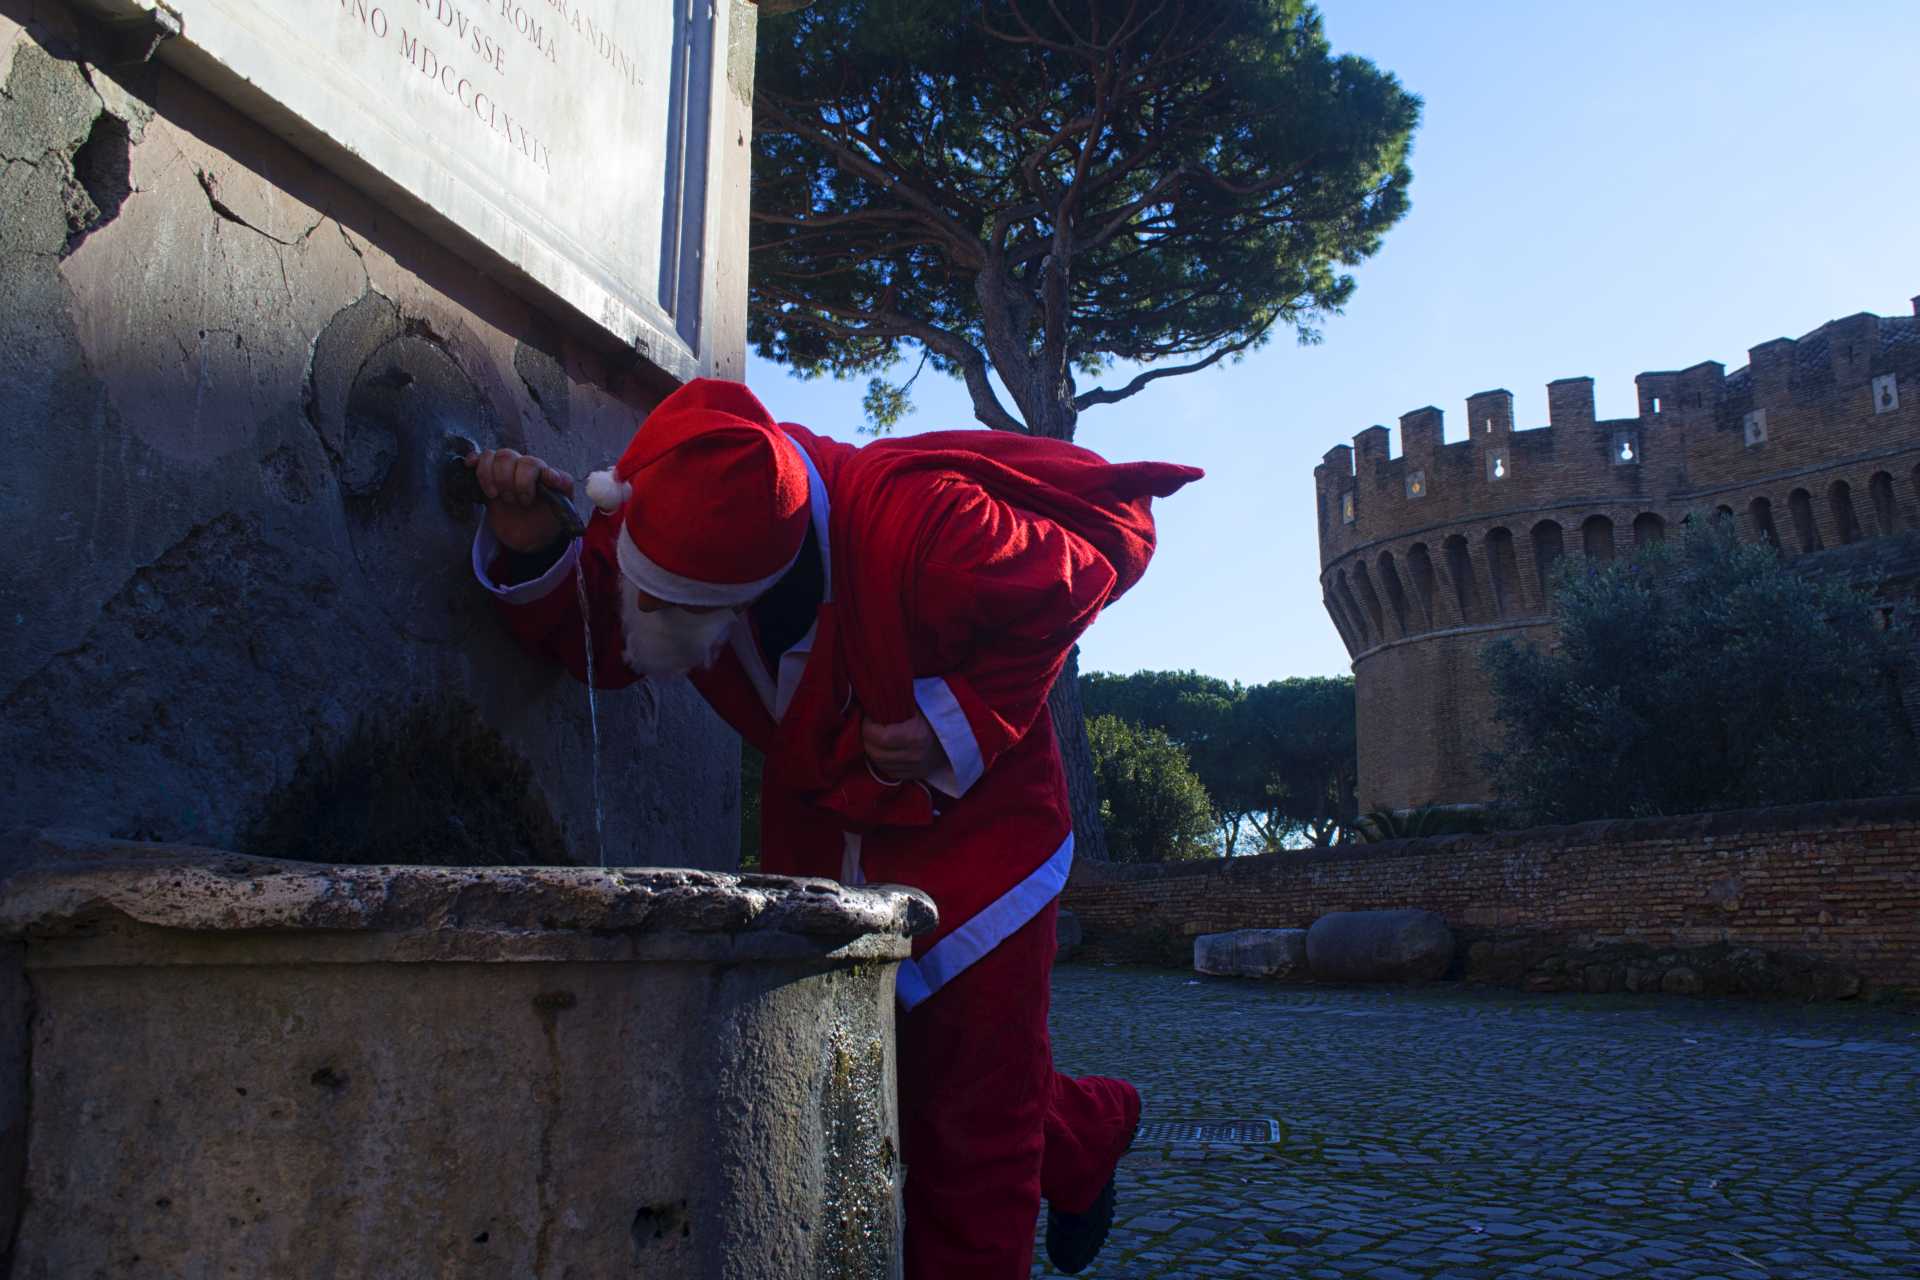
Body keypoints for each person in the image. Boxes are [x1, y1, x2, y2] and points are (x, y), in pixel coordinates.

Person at [466, 378, 1201, 1277]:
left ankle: (1051, 1156)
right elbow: (622, 635)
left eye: (670, 606)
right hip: (821, 838)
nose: (643, 615)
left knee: (974, 1123)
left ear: (747, 586)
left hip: (981, 847)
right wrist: (535, 544)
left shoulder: (925, 523)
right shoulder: (674, 488)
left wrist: (959, 717)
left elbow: (1105, 548)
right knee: (869, 1082)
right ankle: (1084, 1130)